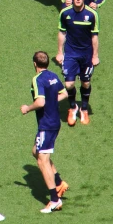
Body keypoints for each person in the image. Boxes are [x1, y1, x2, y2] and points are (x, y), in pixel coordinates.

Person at [20, 51, 70, 213]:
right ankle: (59, 182)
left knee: (42, 160)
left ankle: (54, 200)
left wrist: (27, 108)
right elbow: (64, 93)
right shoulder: (53, 76)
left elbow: (40, 102)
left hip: (47, 124)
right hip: (54, 122)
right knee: (36, 151)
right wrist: (51, 102)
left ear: (35, 64)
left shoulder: (38, 79)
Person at [55, 0, 99, 126]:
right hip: (71, 53)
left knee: (85, 82)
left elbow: (94, 36)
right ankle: (73, 107)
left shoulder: (92, 14)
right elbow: (62, 33)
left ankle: (84, 109)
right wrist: (59, 52)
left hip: (86, 54)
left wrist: (95, 56)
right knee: (69, 84)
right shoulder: (65, 13)